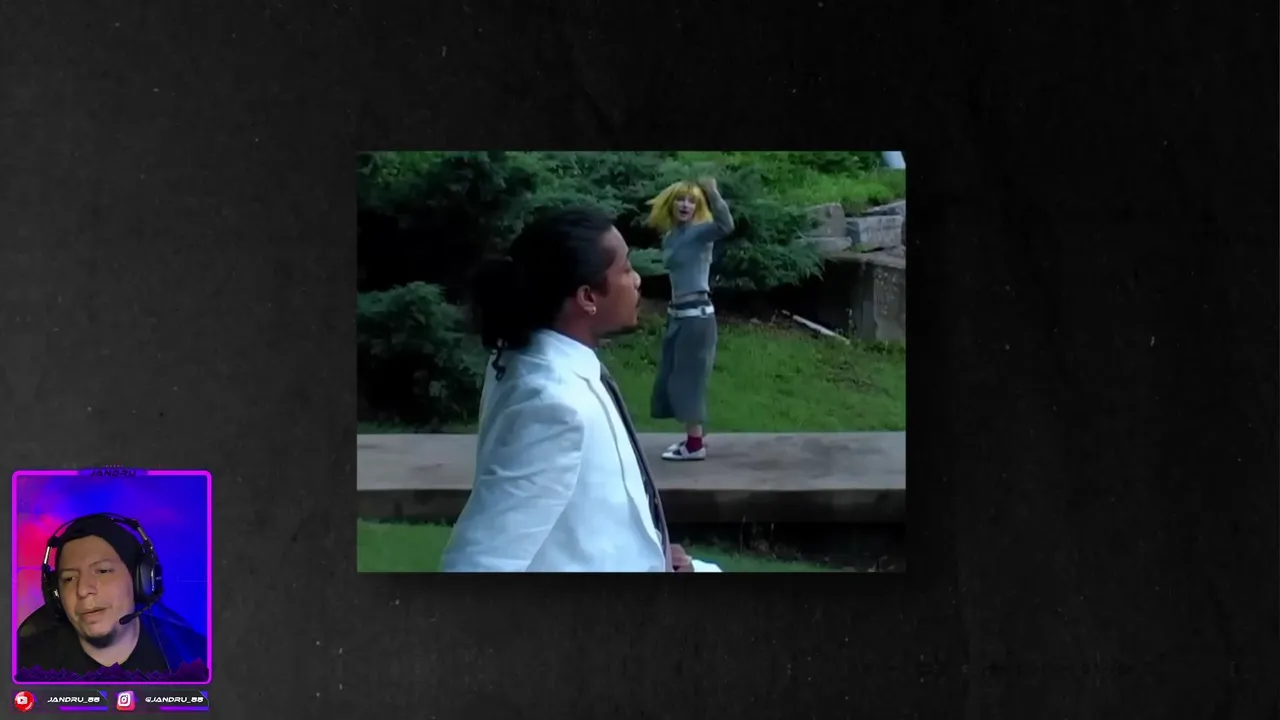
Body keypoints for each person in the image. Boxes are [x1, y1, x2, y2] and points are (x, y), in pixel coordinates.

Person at [440, 206, 721, 572]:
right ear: (588, 297)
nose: (637, 280)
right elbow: (480, 562)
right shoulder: (552, 403)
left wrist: (649, 549)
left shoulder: (547, 360)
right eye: (626, 269)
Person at [15, 514, 207, 680]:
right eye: (69, 578)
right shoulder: (19, 664)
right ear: (55, 594)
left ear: (139, 580)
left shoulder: (196, 656)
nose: (83, 590)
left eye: (103, 571)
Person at [644, 177, 735, 461]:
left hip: (697, 316)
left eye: (692, 201)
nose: (685, 205)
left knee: (688, 380)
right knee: (671, 376)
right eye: (681, 200)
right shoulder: (672, 237)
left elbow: (726, 225)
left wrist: (713, 193)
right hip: (678, 316)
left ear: (698, 207)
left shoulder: (700, 233)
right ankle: (692, 439)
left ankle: (694, 446)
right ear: (671, 204)